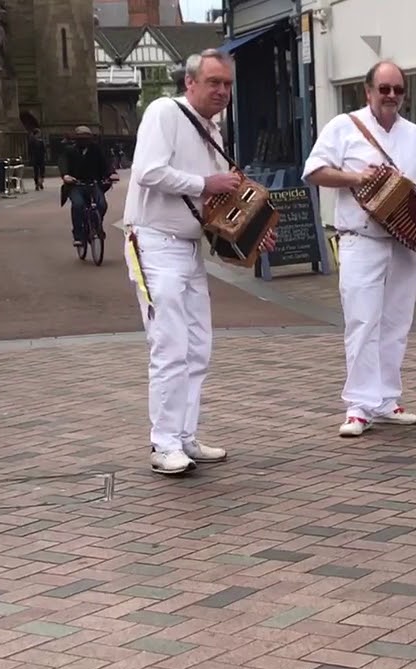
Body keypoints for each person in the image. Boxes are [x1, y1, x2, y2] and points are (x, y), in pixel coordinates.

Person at [123, 48, 272, 475]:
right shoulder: (164, 113)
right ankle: (163, 442)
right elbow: (148, 171)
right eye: (213, 82)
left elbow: (216, 203)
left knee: (197, 346)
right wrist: (204, 181)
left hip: (188, 248)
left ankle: (184, 435)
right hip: (154, 241)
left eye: (227, 84)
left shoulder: (213, 132)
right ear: (190, 83)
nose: (222, 91)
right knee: (169, 345)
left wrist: (254, 228)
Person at [303, 61, 416, 436]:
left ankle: (386, 399)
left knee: (396, 322)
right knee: (362, 320)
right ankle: (359, 406)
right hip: (360, 239)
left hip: (406, 243)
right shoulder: (344, 126)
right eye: (383, 89)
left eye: (397, 90)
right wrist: (356, 176)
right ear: (367, 91)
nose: (391, 96)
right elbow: (314, 171)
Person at [61, 126, 117, 247]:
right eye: (81, 139)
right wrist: (66, 175)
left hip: (93, 183)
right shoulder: (69, 151)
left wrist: (111, 174)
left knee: (102, 204)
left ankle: (97, 225)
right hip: (76, 185)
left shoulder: (96, 150)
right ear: (76, 140)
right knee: (78, 205)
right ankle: (78, 235)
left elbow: (105, 163)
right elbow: (63, 163)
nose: (84, 141)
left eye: (86, 139)